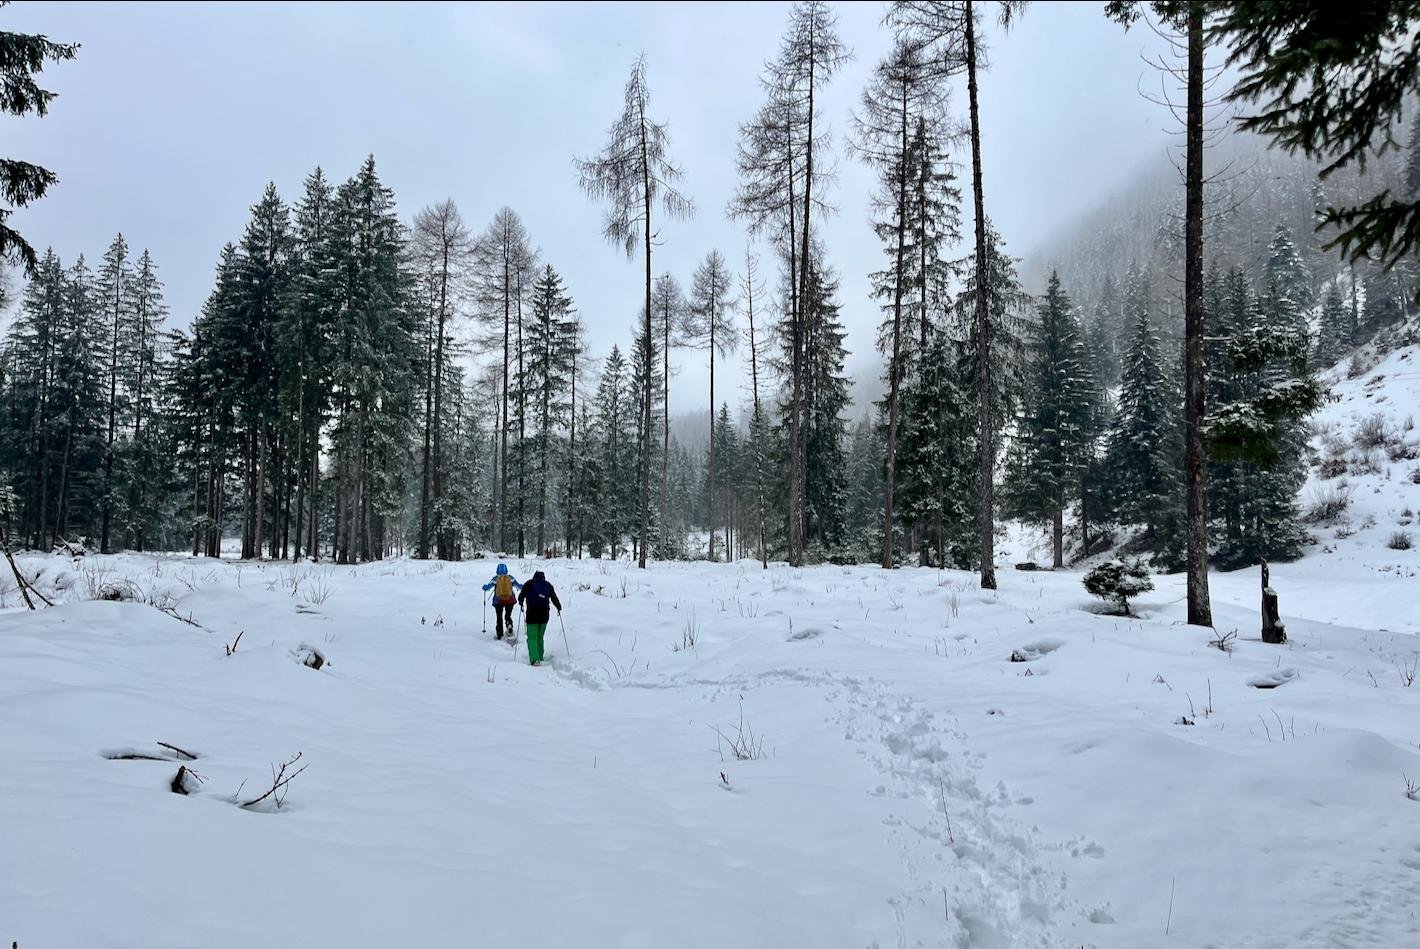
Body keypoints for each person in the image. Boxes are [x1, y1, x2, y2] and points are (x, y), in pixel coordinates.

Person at [516, 569, 562, 666]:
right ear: (543, 578)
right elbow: (554, 597)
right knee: (540, 637)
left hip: (532, 614)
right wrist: (558, 607)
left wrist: (521, 603)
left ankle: (534, 659)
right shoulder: (548, 585)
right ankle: (540, 657)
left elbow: (521, 596)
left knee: (532, 637)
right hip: (544, 615)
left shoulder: (529, 584)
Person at [481, 563, 522, 640]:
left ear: (497, 570)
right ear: (506, 570)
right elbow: (518, 586)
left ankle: (499, 634)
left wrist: (484, 587)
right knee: (508, 615)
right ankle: (509, 624)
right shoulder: (510, 578)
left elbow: (487, 588)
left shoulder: (495, 579)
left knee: (499, 617)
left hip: (498, 601)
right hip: (510, 600)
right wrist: (522, 586)